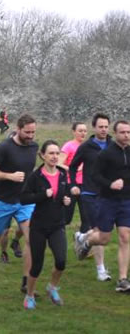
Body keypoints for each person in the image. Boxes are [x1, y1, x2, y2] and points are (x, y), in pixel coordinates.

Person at [0, 114, 38, 295]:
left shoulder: (34, 147)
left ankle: (26, 282)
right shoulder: (4, 147)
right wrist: (9, 176)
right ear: (18, 129)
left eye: (33, 132)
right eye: (27, 132)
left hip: (25, 201)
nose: (31, 136)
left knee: (31, 238)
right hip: (3, 200)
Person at [74, 120, 130, 293]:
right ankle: (86, 240)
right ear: (116, 133)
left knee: (125, 237)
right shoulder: (106, 153)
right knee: (104, 238)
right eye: (122, 132)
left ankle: (122, 279)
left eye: (129, 132)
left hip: (126, 200)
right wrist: (110, 184)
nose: (126, 136)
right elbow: (94, 176)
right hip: (107, 200)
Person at [20, 140, 73, 309]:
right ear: (42, 155)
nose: (54, 156)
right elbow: (24, 198)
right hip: (39, 226)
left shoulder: (63, 175)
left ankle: (52, 287)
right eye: (51, 153)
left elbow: (64, 195)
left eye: (57, 153)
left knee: (61, 261)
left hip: (57, 224)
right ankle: (29, 296)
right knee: (37, 264)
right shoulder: (36, 177)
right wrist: (43, 194)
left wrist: (66, 200)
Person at [69, 113, 112, 282]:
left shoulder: (112, 145)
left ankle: (82, 237)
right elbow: (72, 167)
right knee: (100, 231)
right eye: (100, 126)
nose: (103, 129)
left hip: (109, 194)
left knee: (103, 231)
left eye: (106, 127)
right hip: (89, 193)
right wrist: (73, 184)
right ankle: (101, 270)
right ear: (94, 127)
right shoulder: (87, 146)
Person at [59, 123, 89, 233]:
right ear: (73, 132)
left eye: (85, 131)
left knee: (87, 218)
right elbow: (58, 164)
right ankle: (57, 239)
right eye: (80, 130)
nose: (83, 133)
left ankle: (82, 244)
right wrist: (73, 168)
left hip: (86, 185)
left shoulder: (88, 146)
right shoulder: (69, 146)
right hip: (70, 184)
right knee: (66, 218)